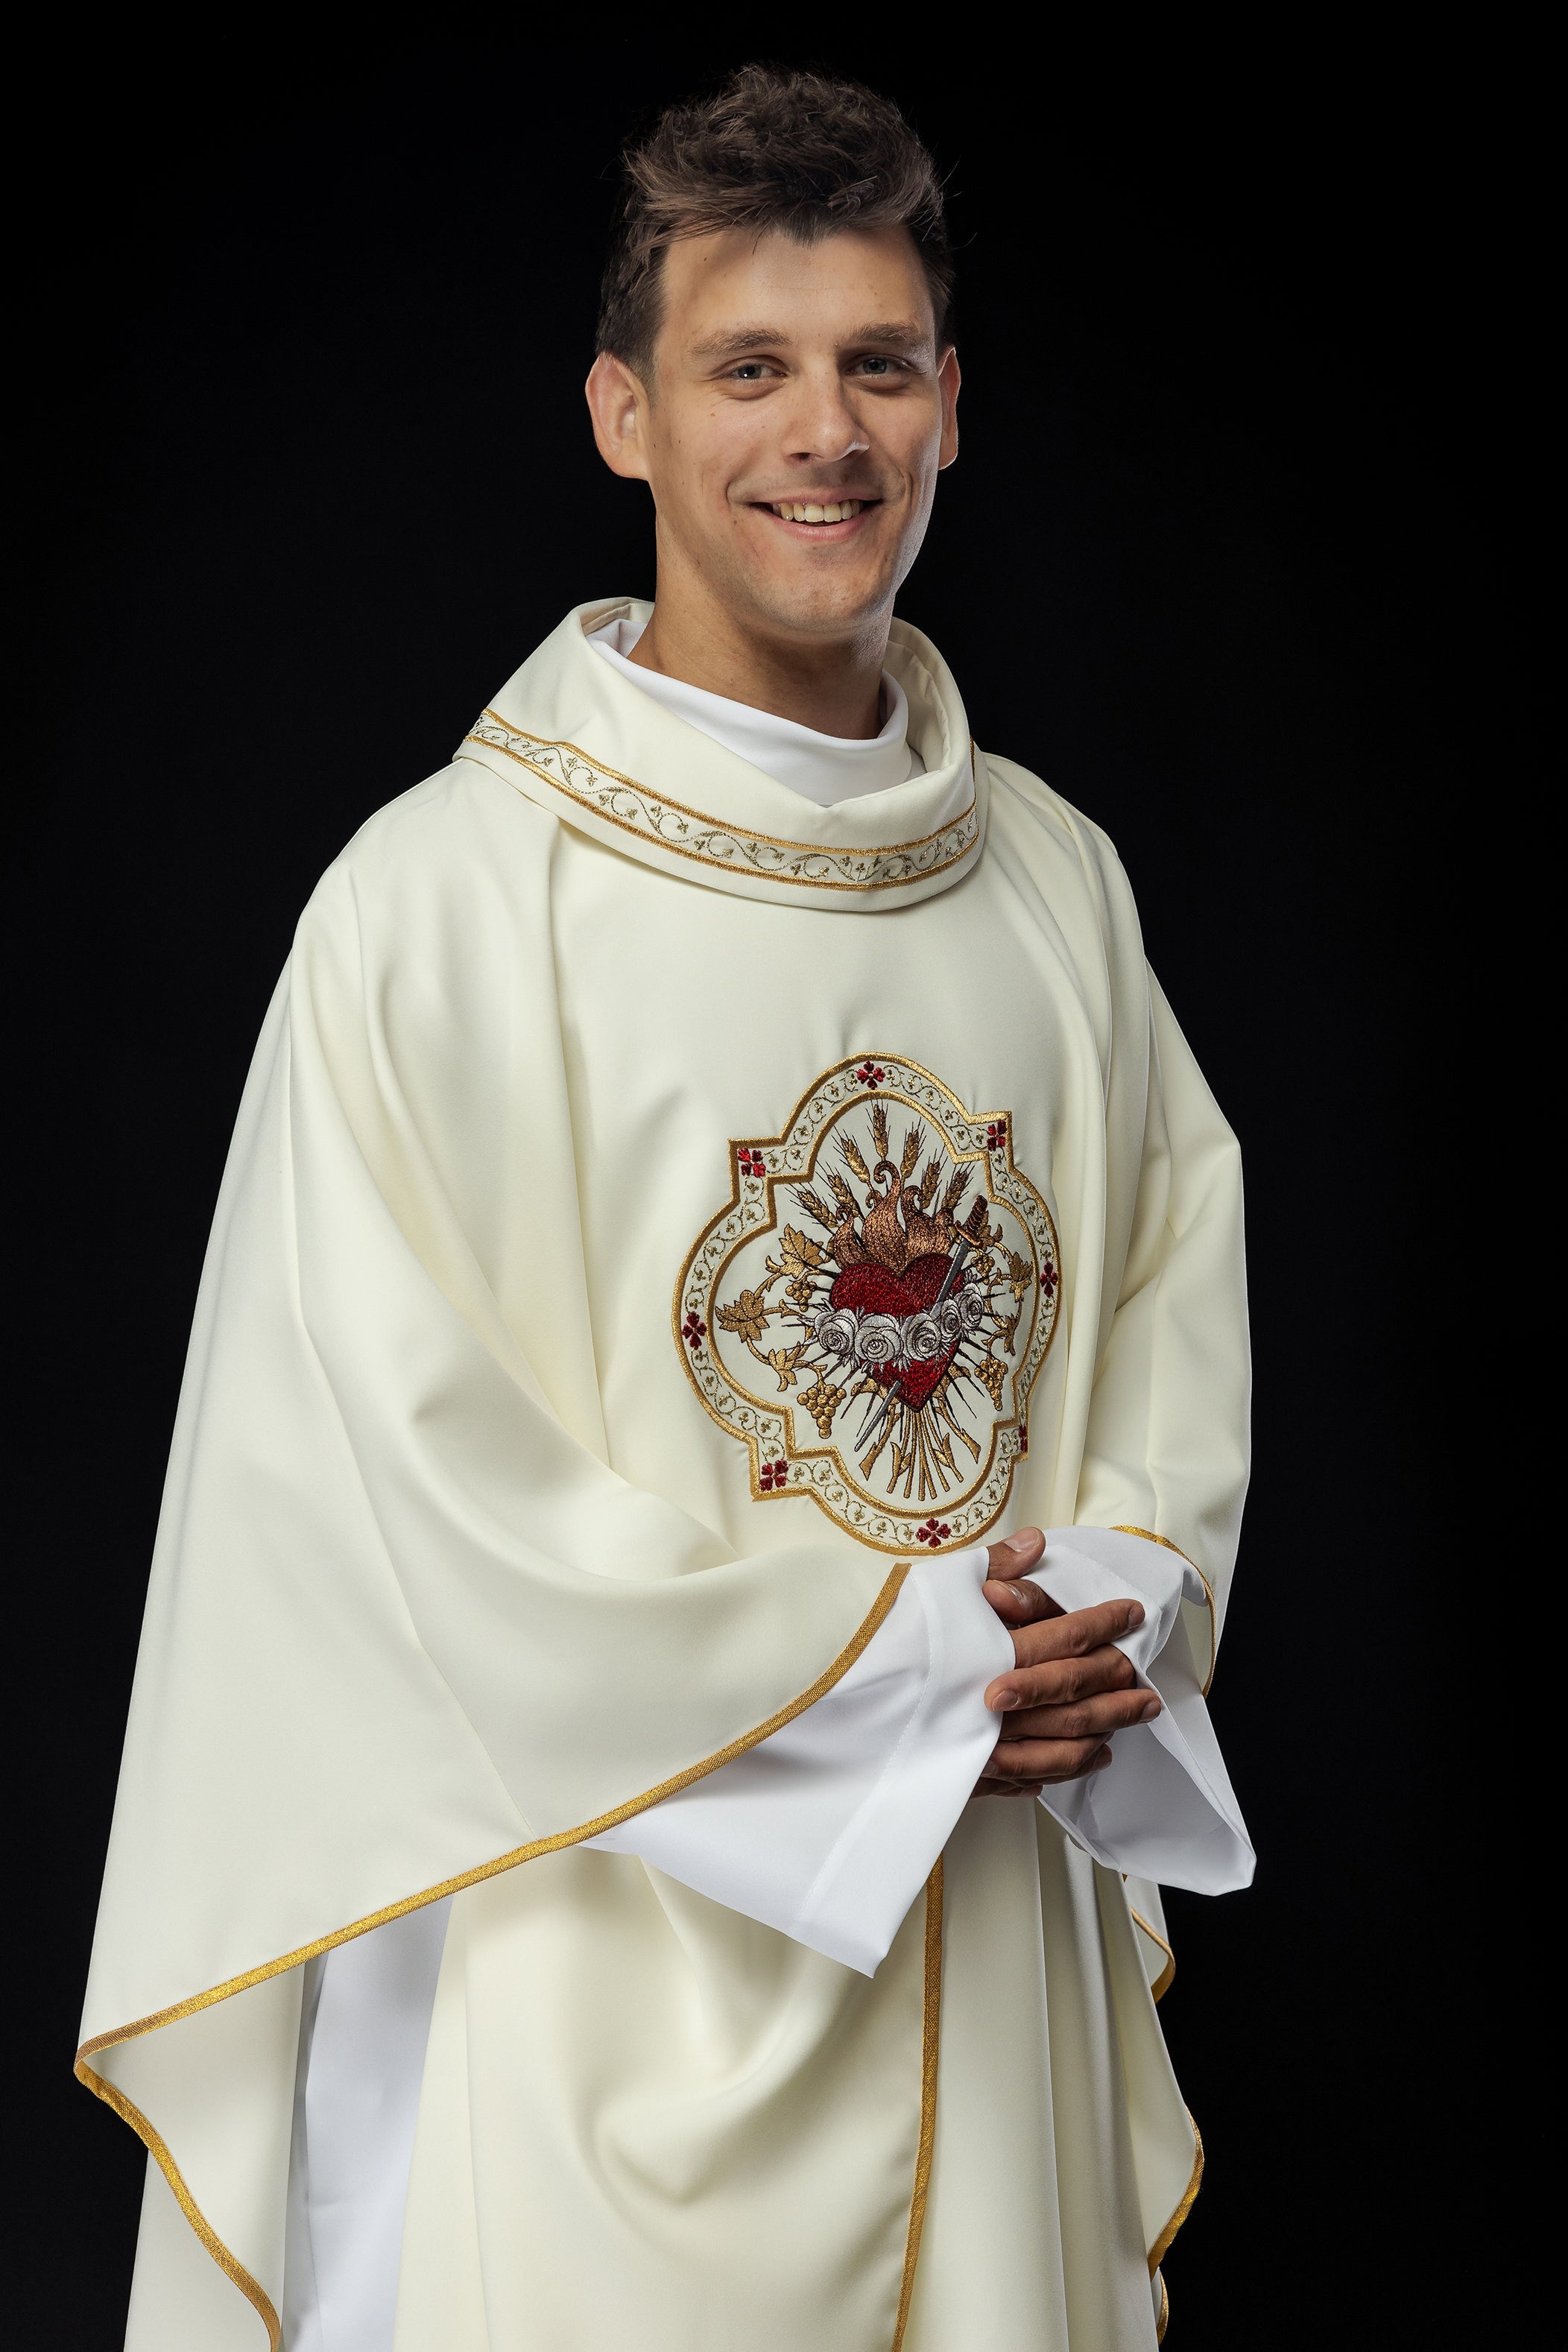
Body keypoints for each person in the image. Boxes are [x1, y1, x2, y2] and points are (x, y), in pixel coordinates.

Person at [80, 64, 1254, 2352]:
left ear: (947, 410)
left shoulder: (1051, 879)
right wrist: (912, 1660)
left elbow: (1164, 1294)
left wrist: (1108, 1591)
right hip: (588, 1986)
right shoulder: (440, 907)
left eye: (877, 367)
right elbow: (400, 1493)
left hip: (980, 1940)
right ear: (625, 414)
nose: (825, 434)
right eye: (752, 367)